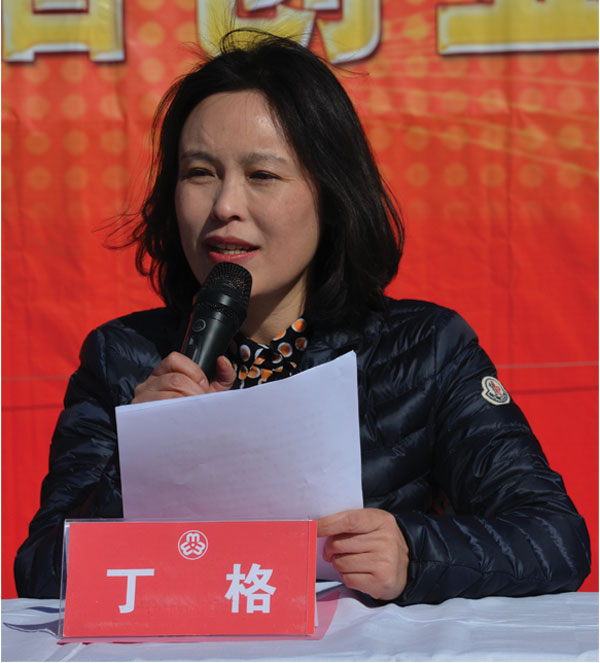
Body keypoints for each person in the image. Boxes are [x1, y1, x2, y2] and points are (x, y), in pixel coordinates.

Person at [15, 30, 590, 602]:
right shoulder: (124, 358)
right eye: (200, 173)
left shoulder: (426, 348)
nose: (225, 206)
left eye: (262, 176)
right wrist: (141, 462)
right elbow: (41, 576)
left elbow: (555, 538)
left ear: (329, 194)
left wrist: (415, 553)